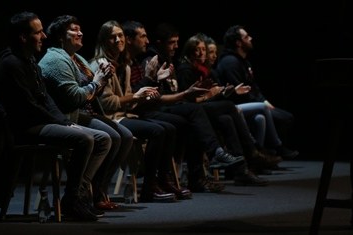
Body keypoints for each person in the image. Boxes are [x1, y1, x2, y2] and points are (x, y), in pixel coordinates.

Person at [0, 11, 112, 221]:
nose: (44, 36)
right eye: (38, 32)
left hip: (42, 121)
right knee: (85, 138)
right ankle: (72, 201)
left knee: (102, 138)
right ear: (23, 37)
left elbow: (46, 99)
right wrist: (62, 123)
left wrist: (65, 122)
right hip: (26, 127)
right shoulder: (11, 64)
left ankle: (78, 195)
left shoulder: (29, 61)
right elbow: (29, 106)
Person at [122, 20, 249, 191]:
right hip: (148, 110)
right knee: (199, 112)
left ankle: (216, 167)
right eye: (171, 42)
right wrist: (188, 94)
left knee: (220, 115)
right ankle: (221, 159)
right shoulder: (152, 61)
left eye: (177, 42)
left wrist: (200, 93)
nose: (176, 46)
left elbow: (160, 93)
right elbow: (151, 97)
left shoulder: (156, 61)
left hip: (159, 107)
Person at [38, 15, 135, 211]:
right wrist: (98, 81)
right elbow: (75, 98)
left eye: (80, 29)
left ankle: (97, 189)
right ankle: (81, 192)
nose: (80, 33)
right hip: (63, 117)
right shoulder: (56, 60)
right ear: (60, 37)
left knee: (123, 135)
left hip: (77, 114)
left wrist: (103, 79)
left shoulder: (78, 59)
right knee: (108, 137)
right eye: (74, 30)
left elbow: (92, 93)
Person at [89, 20, 182, 202]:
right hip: (108, 118)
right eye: (113, 37)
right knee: (157, 131)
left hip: (124, 115)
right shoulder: (100, 65)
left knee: (169, 128)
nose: (118, 40)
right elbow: (107, 103)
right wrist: (136, 96)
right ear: (104, 41)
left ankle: (163, 180)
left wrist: (153, 82)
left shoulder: (125, 66)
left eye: (120, 35)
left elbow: (130, 103)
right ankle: (149, 188)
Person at [175, 33, 282, 179]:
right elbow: (188, 101)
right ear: (189, 51)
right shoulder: (185, 70)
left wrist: (225, 92)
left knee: (227, 119)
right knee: (230, 106)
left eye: (203, 49)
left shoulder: (203, 70)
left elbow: (210, 95)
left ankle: (240, 169)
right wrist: (211, 94)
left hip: (203, 109)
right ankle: (252, 153)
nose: (201, 53)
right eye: (197, 49)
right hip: (193, 112)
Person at [216, 25, 299, 160]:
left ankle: (257, 158)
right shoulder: (230, 62)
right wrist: (261, 104)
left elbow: (254, 87)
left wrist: (264, 100)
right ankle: (276, 146)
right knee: (274, 115)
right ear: (238, 43)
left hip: (251, 103)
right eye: (246, 37)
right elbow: (240, 92)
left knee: (263, 118)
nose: (250, 38)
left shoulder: (244, 62)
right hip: (235, 106)